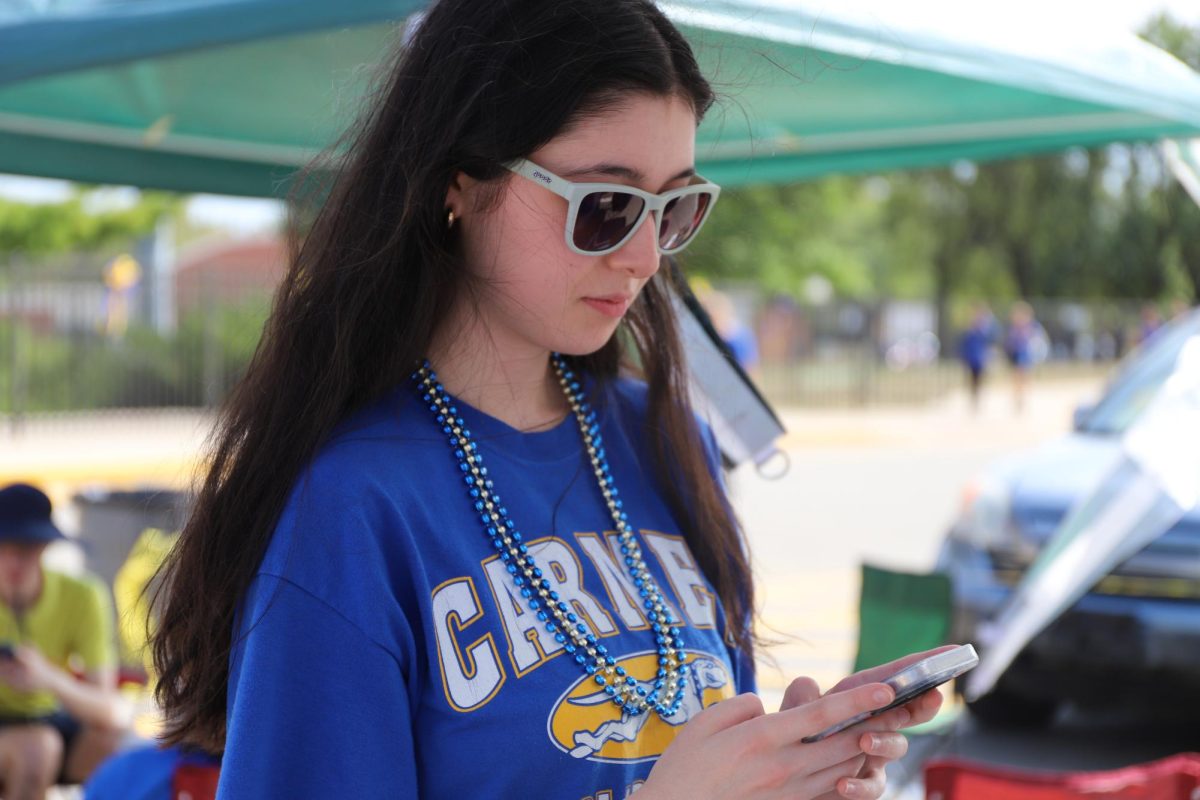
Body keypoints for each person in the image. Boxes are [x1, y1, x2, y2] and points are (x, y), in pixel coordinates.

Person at [150, 2, 947, 798]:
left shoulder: (664, 440)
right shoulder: (349, 506)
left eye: (676, 209)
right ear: (459, 184)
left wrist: (790, 770)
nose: (642, 257)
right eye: (606, 206)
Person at [0, 483, 127, 797]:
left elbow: (108, 708)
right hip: (32, 738)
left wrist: (47, 678)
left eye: (26, 548)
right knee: (37, 749)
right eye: (4, 547)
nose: (14, 562)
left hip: (49, 718)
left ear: (44, 547)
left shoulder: (82, 596)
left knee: (125, 750)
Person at [1004, 301, 1047, 414]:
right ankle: (1018, 398)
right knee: (1017, 377)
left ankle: (1023, 398)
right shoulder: (1014, 328)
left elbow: (1039, 340)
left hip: (1027, 354)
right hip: (1017, 355)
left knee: (1026, 377)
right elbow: (1010, 343)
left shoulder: (1033, 326)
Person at [958, 304, 995, 413]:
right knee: (972, 379)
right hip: (972, 358)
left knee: (979, 379)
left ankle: (977, 398)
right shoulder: (970, 330)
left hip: (980, 359)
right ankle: (973, 398)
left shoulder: (984, 330)